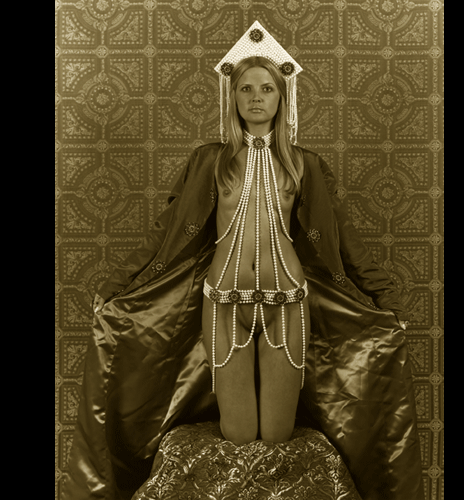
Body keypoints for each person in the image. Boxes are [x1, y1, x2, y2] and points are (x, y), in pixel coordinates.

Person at [66, 21, 423, 500]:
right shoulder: (209, 161)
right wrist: (115, 285)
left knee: (275, 436)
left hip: (288, 303)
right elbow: (165, 232)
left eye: (267, 88)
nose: (256, 97)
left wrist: (386, 298)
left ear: (282, 97)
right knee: (237, 434)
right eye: (246, 89)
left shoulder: (305, 163)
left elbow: (345, 240)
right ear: (233, 97)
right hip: (224, 304)